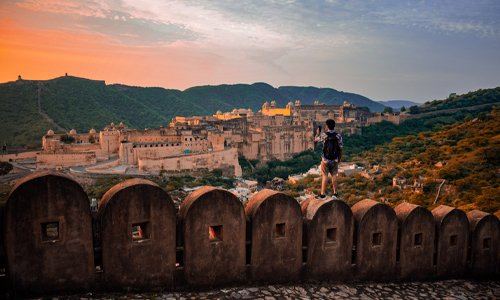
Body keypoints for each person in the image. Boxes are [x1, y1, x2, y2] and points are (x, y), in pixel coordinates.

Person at [314, 119, 343, 199]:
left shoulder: (324, 135)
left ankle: (322, 194)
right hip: (335, 159)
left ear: (327, 126)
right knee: (334, 175)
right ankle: (335, 193)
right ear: (334, 126)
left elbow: (316, 140)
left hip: (325, 159)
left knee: (325, 176)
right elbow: (340, 148)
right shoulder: (338, 136)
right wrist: (339, 158)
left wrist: (317, 133)